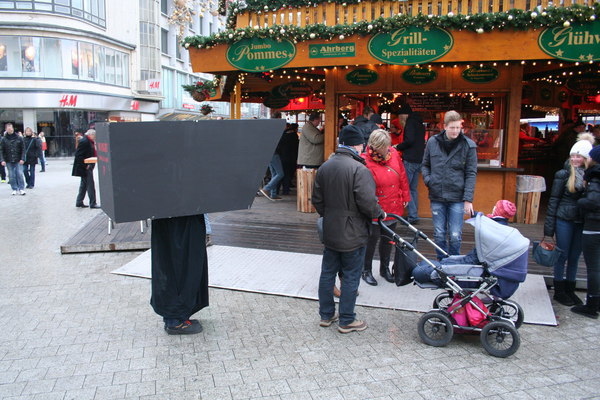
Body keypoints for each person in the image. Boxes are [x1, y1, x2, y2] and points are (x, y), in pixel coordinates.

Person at [312, 125, 385, 333]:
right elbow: (368, 203)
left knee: (327, 273)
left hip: (330, 229)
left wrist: (331, 215)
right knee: (351, 275)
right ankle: (346, 319)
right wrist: (379, 213)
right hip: (353, 233)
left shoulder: (326, 166)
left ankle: (326, 315)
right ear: (358, 144)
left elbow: (317, 199)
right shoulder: (359, 169)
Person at [413, 199, 516, 284]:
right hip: (478, 260)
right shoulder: (500, 228)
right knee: (435, 263)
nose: (493, 208)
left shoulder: (493, 228)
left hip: (474, 263)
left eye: (495, 207)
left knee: (421, 270)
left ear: (497, 210)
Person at [544, 134, 594, 306]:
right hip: (564, 218)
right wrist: (548, 230)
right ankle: (559, 289)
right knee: (562, 254)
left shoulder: (591, 175)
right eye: (572, 155)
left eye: (578, 156)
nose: (574, 159)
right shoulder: (563, 174)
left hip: (582, 220)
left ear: (586, 158)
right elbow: (554, 200)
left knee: (575, 256)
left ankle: (570, 288)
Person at [422, 110, 477, 260]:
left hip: (457, 196)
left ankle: (453, 264)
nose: (455, 131)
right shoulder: (433, 142)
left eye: (458, 128)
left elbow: (471, 173)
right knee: (439, 233)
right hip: (437, 194)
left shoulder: (468, 146)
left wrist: (468, 199)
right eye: (452, 127)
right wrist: (428, 180)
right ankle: (442, 262)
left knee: (454, 234)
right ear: (444, 126)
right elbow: (425, 164)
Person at [361, 129, 410, 286]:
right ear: (375, 147)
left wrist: (405, 196)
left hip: (393, 204)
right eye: (384, 147)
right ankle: (366, 270)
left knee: (388, 240)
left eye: (387, 146)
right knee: (371, 240)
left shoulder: (394, 153)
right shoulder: (365, 161)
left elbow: (402, 175)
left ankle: (384, 268)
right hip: (376, 206)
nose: (387, 149)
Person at [151, 214, 208, 334]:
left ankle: (179, 316)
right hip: (178, 216)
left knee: (178, 263)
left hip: (176, 214)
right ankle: (175, 320)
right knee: (179, 264)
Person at [571, 145, 600, 318]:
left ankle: (591, 305)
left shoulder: (595, 176)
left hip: (594, 226)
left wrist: (580, 201)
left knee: (594, 268)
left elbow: (594, 201)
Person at [395, 104, 426, 224]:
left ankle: (412, 216)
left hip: (410, 159)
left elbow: (409, 141)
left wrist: (398, 146)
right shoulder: (419, 123)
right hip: (419, 159)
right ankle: (414, 215)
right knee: (413, 189)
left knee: (406, 188)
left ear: (404, 115)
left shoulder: (410, 123)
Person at [259, 113, 285, 201]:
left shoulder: (267, 126)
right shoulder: (276, 127)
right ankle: (267, 188)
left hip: (268, 153)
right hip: (274, 153)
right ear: (278, 118)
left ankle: (273, 194)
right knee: (280, 173)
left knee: (274, 173)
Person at [72, 129, 100, 208]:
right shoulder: (85, 141)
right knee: (90, 184)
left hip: (86, 166)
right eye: (94, 136)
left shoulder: (88, 141)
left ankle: (79, 201)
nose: (95, 137)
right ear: (91, 134)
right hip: (85, 167)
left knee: (84, 185)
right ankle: (92, 203)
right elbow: (78, 155)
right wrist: (86, 165)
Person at [0, 123, 26, 195]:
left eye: (10, 128)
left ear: (13, 128)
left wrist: (22, 158)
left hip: (18, 159)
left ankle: (21, 188)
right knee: (11, 175)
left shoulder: (19, 138)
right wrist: (2, 160)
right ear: (6, 129)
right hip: (8, 159)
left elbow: (23, 149)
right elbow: (1, 150)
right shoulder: (4, 139)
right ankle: (14, 188)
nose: (9, 129)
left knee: (19, 174)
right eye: (8, 128)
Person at [279, 123, 299, 195]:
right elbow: (297, 147)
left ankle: (278, 190)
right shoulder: (294, 135)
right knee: (288, 174)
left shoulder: (282, 135)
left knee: (282, 173)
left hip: (283, 157)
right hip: (292, 157)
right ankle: (286, 190)